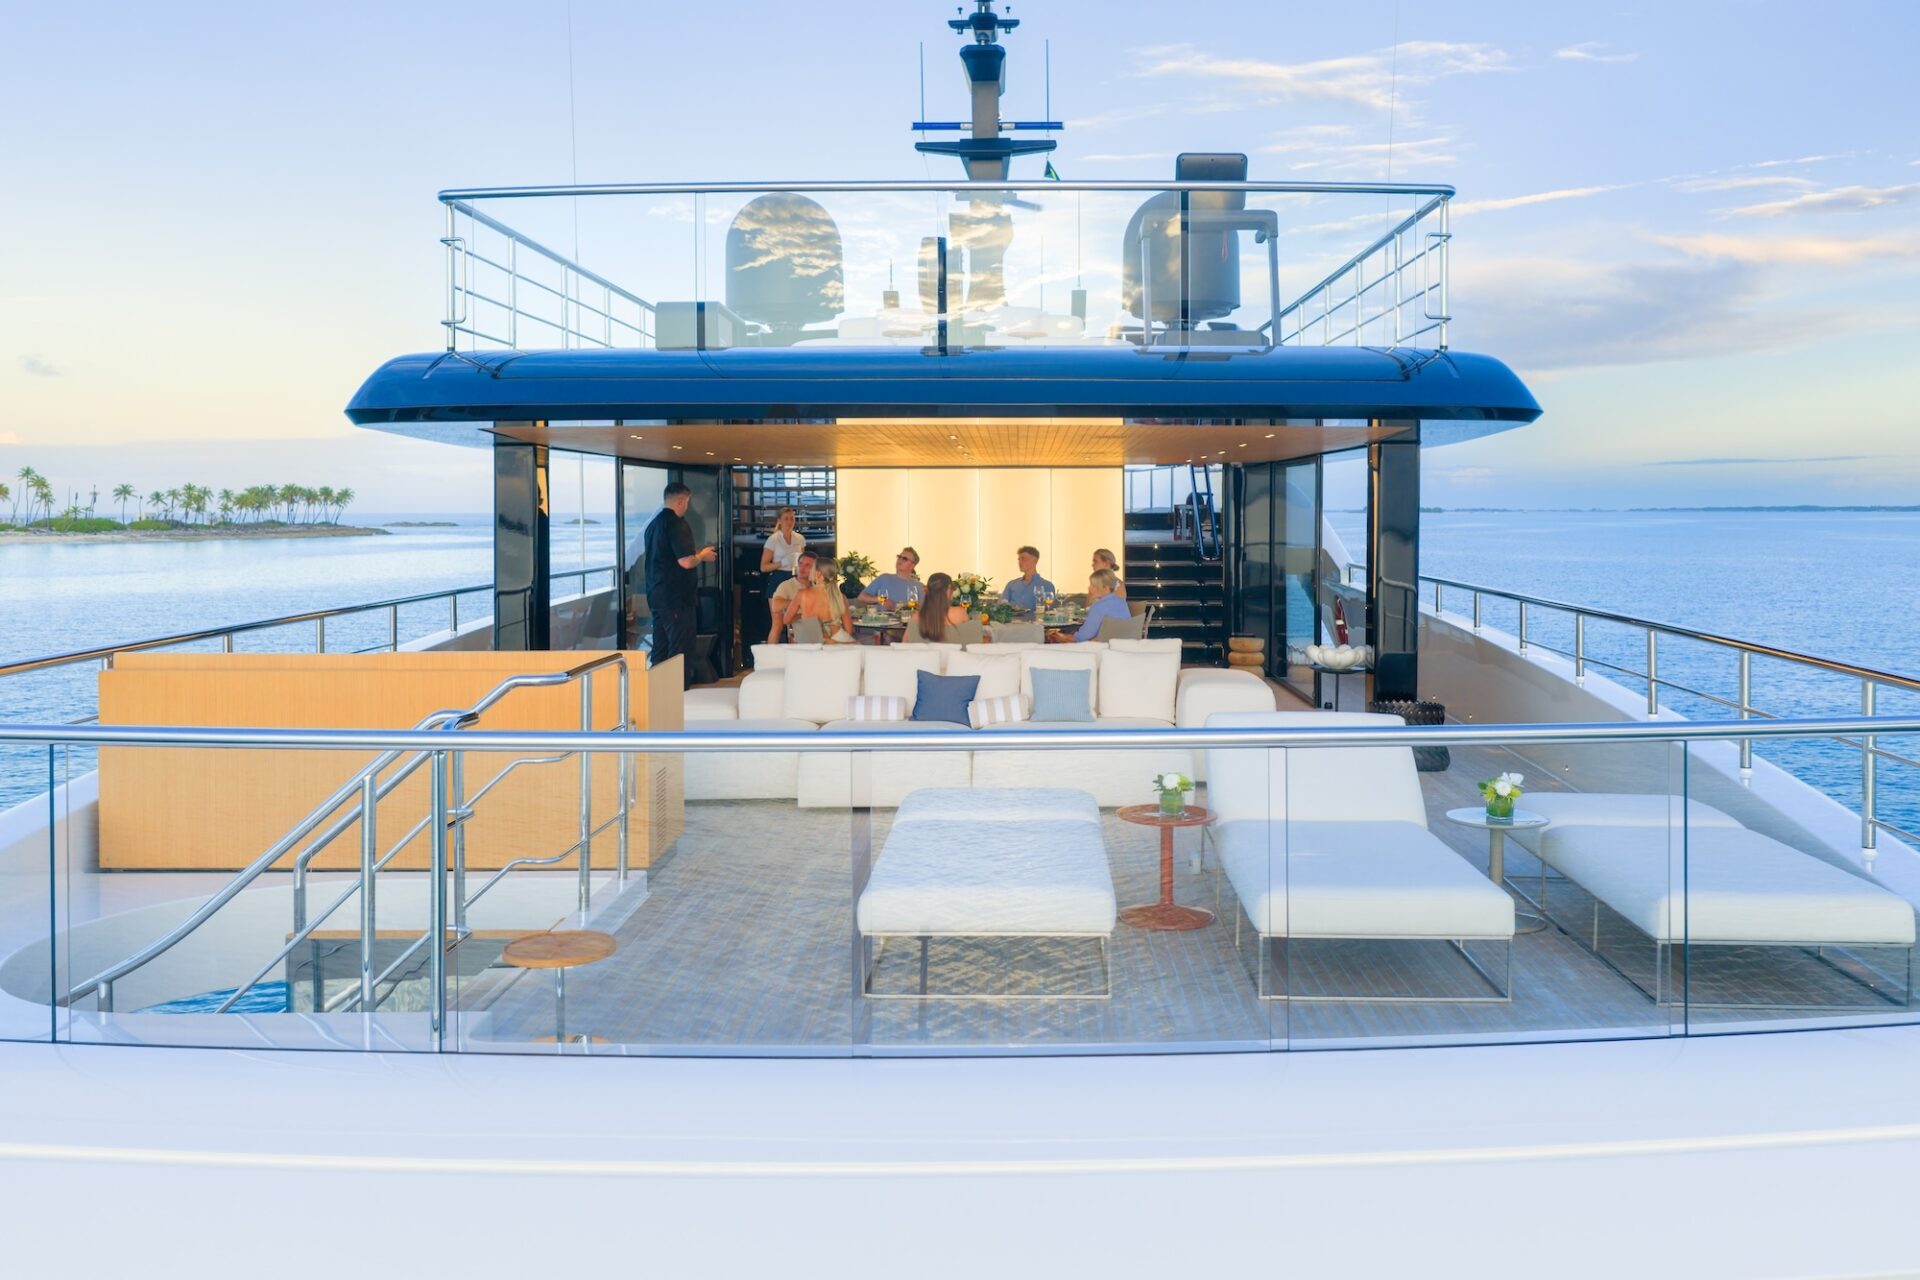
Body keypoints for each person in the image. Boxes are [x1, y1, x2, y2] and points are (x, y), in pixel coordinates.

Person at [644, 482, 717, 685]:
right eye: (687, 502)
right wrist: (702, 555)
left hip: (656, 594)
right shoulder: (677, 524)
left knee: (660, 645)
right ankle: (678, 690)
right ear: (680, 501)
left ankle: (656, 688)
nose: (687, 507)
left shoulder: (653, 525)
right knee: (680, 646)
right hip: (676, 597)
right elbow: (685, 561)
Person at [782, 554, 854, 643]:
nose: (809, 571)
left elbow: (786, 620)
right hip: (837, 639)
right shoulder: (840, 597)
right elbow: (849, 630)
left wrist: (804, 616)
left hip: (811, 639)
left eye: (812, 568)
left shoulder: (802, 594)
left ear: (818, 573)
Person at [1051, 568, 1130, 643]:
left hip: (1101, 647)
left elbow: (1082, 637)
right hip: (1121, 645)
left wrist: (1063, 637)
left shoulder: (1099, 606)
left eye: (1093, 585)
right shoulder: (1122, 602)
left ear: (1105, 588)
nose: (1089, 588)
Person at [766, 549, 818, 642]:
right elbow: (776, 605)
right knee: (777, 625)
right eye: (800, 564)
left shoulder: (818, 586)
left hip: (818, 626)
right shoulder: (787, 585)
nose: (802, 568)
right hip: (797, 627)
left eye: (807, 565)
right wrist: (799, 603)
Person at [759, 506, 806, 597]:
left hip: (796, 578)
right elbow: (763, 567)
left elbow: (804, 561)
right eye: (786, 519)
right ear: (779, 521)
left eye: (792, 519)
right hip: (779, 578)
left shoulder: (800, 538)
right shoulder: (773, 539)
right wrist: (782, 563)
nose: (789, 522)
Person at [913, 572, 971, 643]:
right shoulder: (960, 613)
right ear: (948, 590)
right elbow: (971, 641)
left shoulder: (916, 617)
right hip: (953, 650)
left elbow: (906, 644)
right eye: (952, 588)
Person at [857, 547, 925, 607]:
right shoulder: (884, 578)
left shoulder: (919, 587)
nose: (900, 560)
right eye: (899, 556)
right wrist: (881, 600)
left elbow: (924, 608)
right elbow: (861, 597)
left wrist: (906, 606)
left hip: (907, 617)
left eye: (904, 559)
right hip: (881, 617)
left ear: (912, 566)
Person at [1003, 545, 1055, 613]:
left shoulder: (1047, 586)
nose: (1020, 562)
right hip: (1012, 619)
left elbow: (1049, 611)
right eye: (1019, 559)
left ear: (1035, 560)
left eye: (1023, 558)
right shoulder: (1011, 584)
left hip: (1035, 619)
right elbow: (1001, 605)